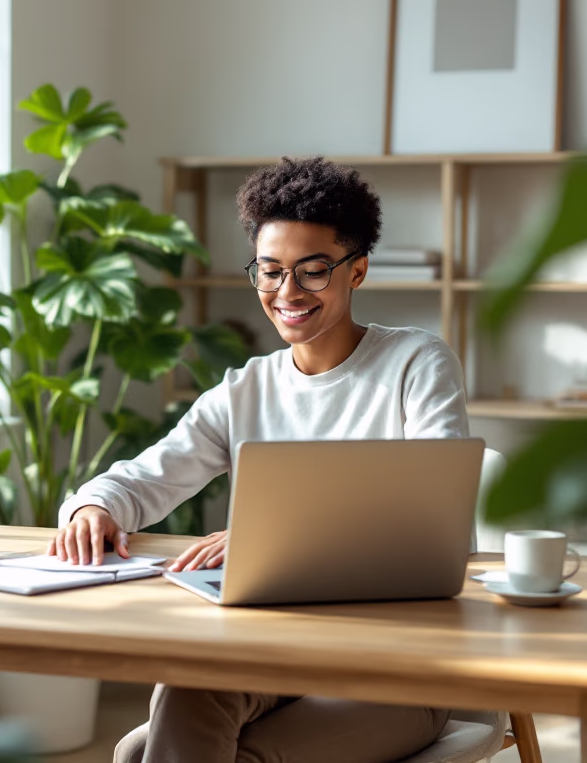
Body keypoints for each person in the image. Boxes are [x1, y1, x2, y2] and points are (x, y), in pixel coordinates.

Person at [48, 156, 469, 763]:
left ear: (358, 271)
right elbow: (149, 474)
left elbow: (434, 514)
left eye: (313, 271)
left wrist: (270, 537)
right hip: (276, 653)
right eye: (270, 272)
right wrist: (94, 504)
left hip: (399, 664)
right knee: (183, 691)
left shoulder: (416, 363)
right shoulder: (245, 388)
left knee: (156, 752)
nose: (287, 293)